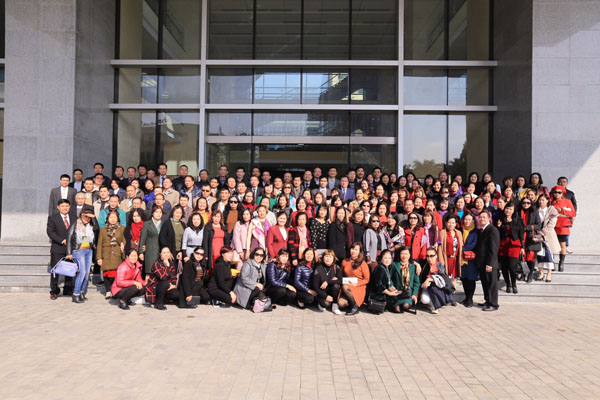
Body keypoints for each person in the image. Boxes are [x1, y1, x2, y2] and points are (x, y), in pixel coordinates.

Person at [67, 205, 98, 303]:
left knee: (87, 273)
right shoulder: (75, 224)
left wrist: (93, 218)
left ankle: (81, 292)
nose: (87, 218)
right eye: (86, 216)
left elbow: (97, 229)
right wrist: (69, 253)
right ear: (81, 215)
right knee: (82, 272)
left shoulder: (91, 225)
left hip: (89, 251)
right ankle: (75, 294)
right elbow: (69, 238)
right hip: (79, 251)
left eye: (89, 217)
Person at [46, 199, 76, 299]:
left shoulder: (74, 217)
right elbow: (50, 232)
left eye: (67, 206)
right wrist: (62, 240)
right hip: (58, 248)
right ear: (58, 207)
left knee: (69, 269)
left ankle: (68, 289)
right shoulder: (52, 218)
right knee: (55, 270)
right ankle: (54, 291)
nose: (65, 208)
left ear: (69, 207)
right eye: (62, 206)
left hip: (70, 249)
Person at [96, 210, 126, 299]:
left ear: (118, 218)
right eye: (111, 217)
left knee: (116, 273)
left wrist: (123, 245)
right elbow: (99, 244)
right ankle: (108, 291)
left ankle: (115, 290)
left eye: (114, 217)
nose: (113, 219)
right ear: (107, 219)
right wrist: (99, 257)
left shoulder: (122, 228)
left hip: (117, 253)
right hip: (106, 254)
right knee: (106, 273)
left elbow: (124, 240)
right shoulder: (103, 230)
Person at [497, 202, 524, 294]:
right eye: (507, 209)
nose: (508, 211)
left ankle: (514, 284)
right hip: (503, 245)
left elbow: (521, 234)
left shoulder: (518, 220)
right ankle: (508, 284)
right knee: (504, 267)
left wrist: (522, 247)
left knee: (512, 267)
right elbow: (497, 233)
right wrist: (499, 227)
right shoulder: (500, 219)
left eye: (510, 209)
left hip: (514, 245)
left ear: (513, 211)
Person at [476, 210, 500, 311]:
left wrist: (490, 264)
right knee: (485, 283)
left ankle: (493, 304)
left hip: (489, 263)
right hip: (482, 262)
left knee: (491, 284)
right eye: (480, 217)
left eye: (484, 217)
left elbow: (493, 249)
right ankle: (488, 300)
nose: (482, 219)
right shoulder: (482, 230)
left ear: (489, 218)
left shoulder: (492, 230)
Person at [339, 242, 370, 316]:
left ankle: (355, 307)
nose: (353, 251)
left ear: (359, 252)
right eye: (352, 249)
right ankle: (352, 301)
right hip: (348, 285)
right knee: (341, 304)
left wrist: (357, 284)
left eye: (356, 250)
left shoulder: (363, 263)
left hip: (358, 287)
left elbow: (367, 279)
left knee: (345, 287)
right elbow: (341, 274)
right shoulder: (345, 261)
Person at [419, 248, 453, 314]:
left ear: (436, 256)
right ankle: (432, 304)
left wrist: (429, 279)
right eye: (427, 256)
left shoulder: (439, 265)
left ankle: (436, 305)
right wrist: (417, 265)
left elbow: (442, 278)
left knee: (433, 286)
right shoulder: (424, 263)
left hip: (438, 288)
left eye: (432, 256)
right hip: (426, 287)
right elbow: (412, 260)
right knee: (424, 300)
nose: (429, 258)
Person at [551, 185, 576, 272]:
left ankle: (561, 263)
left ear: (563, 193)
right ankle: (551, 263)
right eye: (555, 192)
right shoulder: (550, 201)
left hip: (563, 225)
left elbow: (572, 213)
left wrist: (562, 210)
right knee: (552, 245)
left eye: (559, 192)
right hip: (552, 226)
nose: (557, 194)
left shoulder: (567, 201)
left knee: (562, 245)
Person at [536, 194, 561, 282]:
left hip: (548, 235)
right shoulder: (536, 210)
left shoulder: (551, 210)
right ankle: (541, 273)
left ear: (547, 201)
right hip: (537, 234)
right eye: (540, 200)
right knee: (539, 254)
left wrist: (542, 232)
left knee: (549, 255)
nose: (541, 202)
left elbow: (552, 224)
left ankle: (549, 274)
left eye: (543, 200)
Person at [389, 247, 420, 313]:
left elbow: (416, 283)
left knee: (405, 306)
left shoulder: (413, 267)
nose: (404, 256)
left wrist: (414, 294)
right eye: (402, 254)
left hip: (408, 293)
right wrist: (391, 285)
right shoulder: (394, 265)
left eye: (406, 254)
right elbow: (389, 277)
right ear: (399, 255)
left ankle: (405, 303)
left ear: (409, 255)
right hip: (397, 292)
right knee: (397, 310)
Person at [312, 249, 343, 314]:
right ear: (323, 258)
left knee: (336, 285)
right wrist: (325, 296)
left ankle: (335, 305)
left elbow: (341, 280)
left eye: (330, 257)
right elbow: (315, 287)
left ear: (333, 259)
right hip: (321, 292)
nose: (328, 259)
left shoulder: (336, 267)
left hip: (332, 291)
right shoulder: (318, 268)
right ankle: (319, 302)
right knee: (326, 304)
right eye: (326, 256)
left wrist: (327, 282)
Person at [438, 215, 464, 288]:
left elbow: (461, 247)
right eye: (449, 222)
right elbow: (439, 248)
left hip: (455, 259)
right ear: (446, 223)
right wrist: (441, 261)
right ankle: (448, 292)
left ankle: (453, 291)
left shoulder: (458, 233)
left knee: (454, 277)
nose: (451, 224)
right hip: (446, 259)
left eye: (453, 223)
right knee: (446, 278)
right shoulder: (442, 232)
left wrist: (461, 259)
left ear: (455, 224)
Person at [520, 197, 542, 282]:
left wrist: (527, 228)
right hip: (521, 236)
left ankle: (530, 274)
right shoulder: (518, 212)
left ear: (531, 204)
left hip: (531, 237)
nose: (526, 204)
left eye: (528, 203)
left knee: (531, 257)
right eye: (524, 203)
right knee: (523, 257)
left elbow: (538, 225)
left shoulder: (534, 212)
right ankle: (524, 273)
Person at [460, 213, 479, 307]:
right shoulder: (460, 230)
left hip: (471, 260)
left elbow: (473, 245)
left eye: (469, 220)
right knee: (464, 278)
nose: (467, 221)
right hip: (461, 259)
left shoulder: (475, 232)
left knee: (471, 279)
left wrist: (460, 249)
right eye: (465, 219)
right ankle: (466, 297)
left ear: (473, 221)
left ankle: (470, 299)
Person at [139, 206, 163, 277]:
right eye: (156, 212)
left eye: (160, 212)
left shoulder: (164, 224)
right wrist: (141, 252)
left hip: (161, 251)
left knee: (161, 272)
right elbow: (142, 238)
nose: (158, 214)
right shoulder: (147, 224)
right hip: (150, 250)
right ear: (152, 213)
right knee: (149, 271)